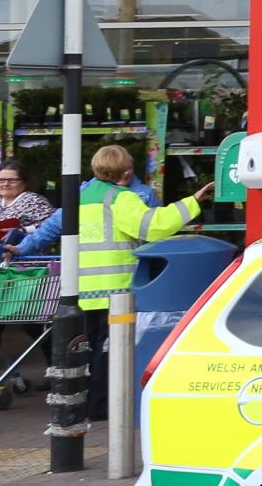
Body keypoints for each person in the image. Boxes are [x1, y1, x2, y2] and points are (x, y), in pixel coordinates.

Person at [75, 146, 209, 421]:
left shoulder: (81, 196)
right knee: (112, 352)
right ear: (126, 172)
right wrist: (193, 201)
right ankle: (101, 407)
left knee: (97, 349)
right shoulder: (120, 198)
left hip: (86, 289)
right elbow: (153, 225)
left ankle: (92, 404)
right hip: (116, 288)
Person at [0, 161, 55, 241]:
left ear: (25, 182)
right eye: (1, 180)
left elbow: (54, 224)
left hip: (15, 250)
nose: (6, 184)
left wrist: (22, 230)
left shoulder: (33, 200)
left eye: (12, 180)